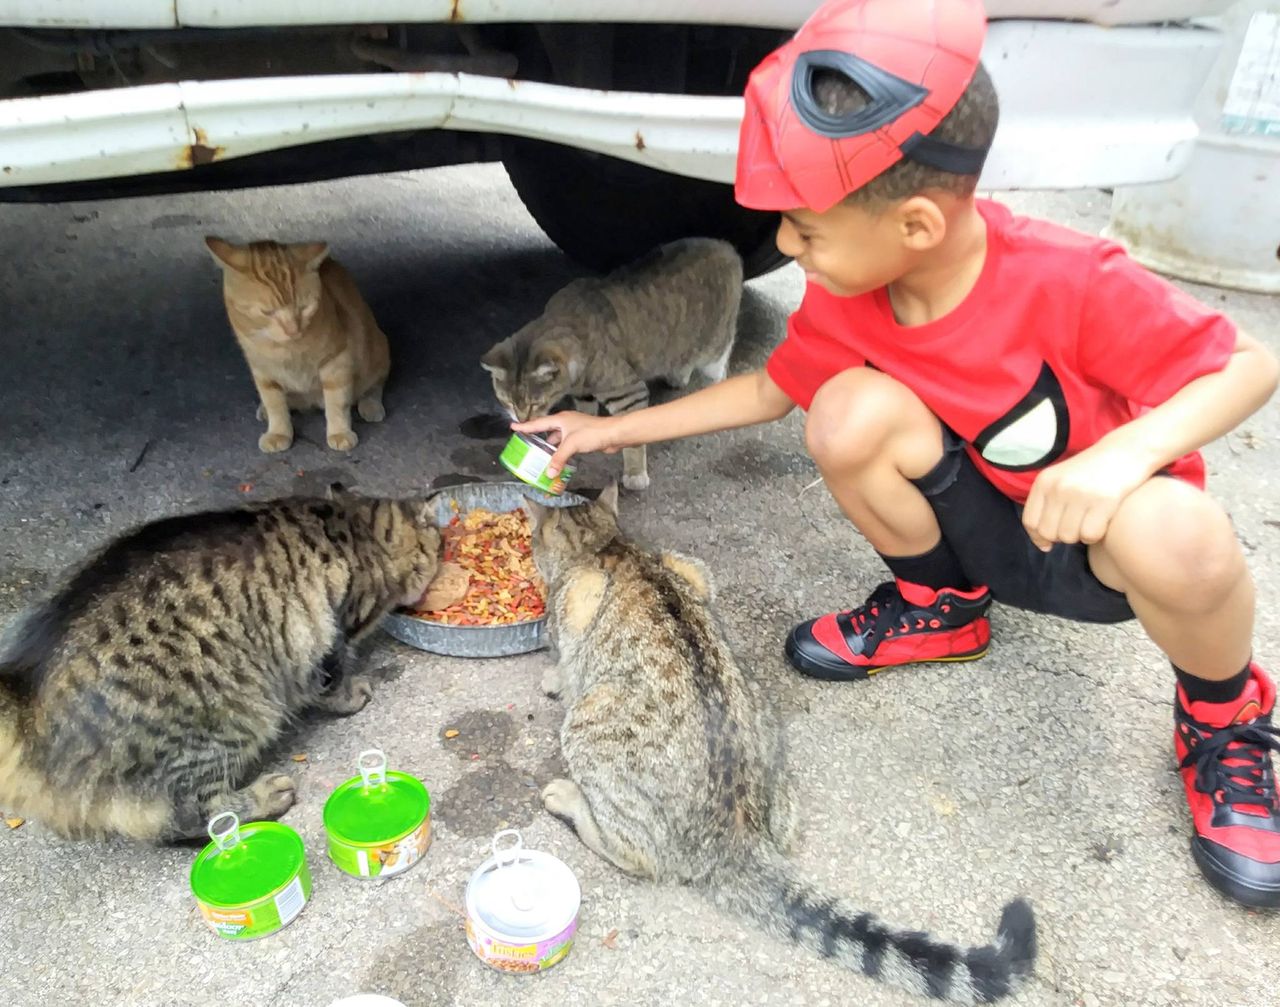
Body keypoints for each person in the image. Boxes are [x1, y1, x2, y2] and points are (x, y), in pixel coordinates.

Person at [511, 0, 1280, 909]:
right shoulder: (852, 292)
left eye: (805, 228)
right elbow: (769, 390)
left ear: (915, 225)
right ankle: (942, 606)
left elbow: (1247, 363)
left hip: (1098, 542)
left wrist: (1121, 459)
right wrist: (602, 430)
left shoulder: (1071, 279)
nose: (785, 247)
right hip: (981, 516)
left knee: (1183, 532)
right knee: (842, 412)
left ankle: (1226, 718)